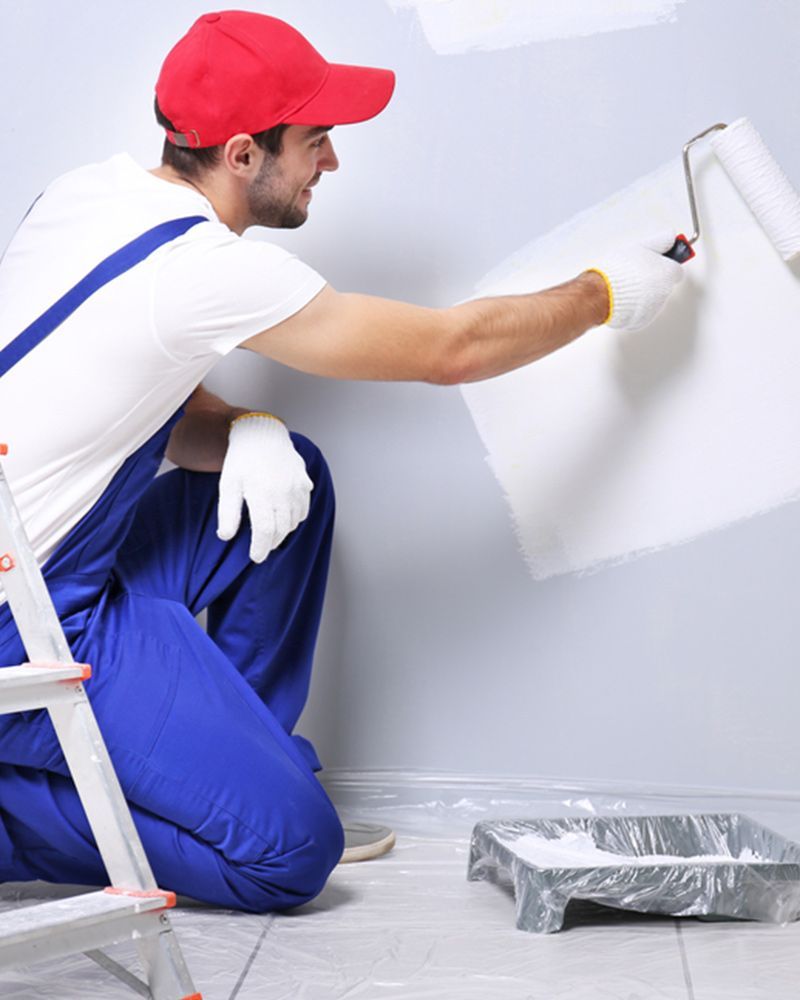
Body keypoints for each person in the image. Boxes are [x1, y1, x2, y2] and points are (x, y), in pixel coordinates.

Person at [0, 11, 682, 913]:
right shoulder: (207, 269)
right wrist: (607, 292)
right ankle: (113, 812)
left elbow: (113, 380)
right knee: (289, 855)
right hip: (30, 622)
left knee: (295, 477)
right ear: (243, 154)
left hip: (49, 562)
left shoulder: (84, 196)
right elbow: (453, 351)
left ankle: (232, 770)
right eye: (315, 140)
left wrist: (242, 423)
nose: (332, 161)